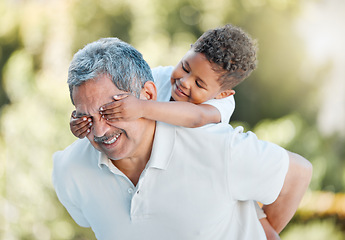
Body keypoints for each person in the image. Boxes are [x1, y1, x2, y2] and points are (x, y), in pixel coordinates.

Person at [52, 37, 312, 240]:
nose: (98, 132)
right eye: (86, 116)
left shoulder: (216, 144)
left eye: (112, 112)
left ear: (148, 94)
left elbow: (298, 172)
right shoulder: (70, 170)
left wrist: (256, 230)